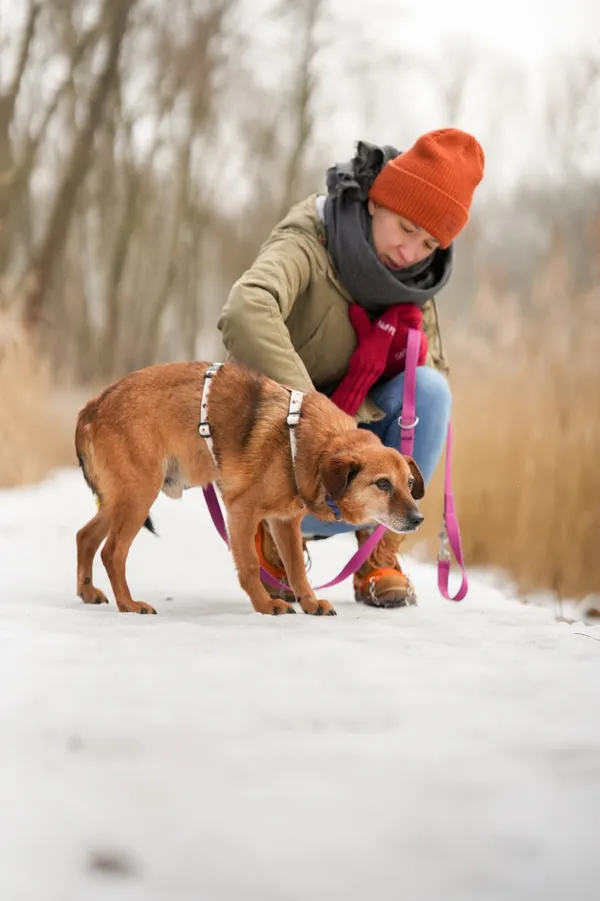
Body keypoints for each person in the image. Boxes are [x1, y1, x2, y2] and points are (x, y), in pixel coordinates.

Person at [217, 128, 485, 608]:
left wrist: (356, 427)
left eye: (429, 242)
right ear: (376, 203)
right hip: (282, 454)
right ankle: (277, 541)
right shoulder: (310, 237)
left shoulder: (414, 286)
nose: (411, 253)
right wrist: (314, 410)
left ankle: (378, 555)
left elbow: (426, 394)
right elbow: (245, 309)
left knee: (431, 389)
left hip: (358, 470)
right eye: (405, 228)